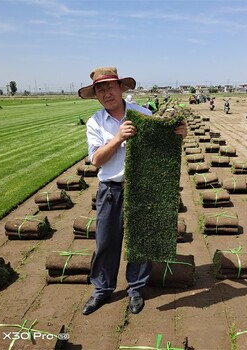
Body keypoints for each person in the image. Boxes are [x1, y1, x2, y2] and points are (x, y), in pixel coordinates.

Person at [78, 67, 187, 316]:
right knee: (106, 241)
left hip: (142, 187)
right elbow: (96, 160)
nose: (106, 93)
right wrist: (117, 139)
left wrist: (180, 134)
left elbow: (164, 142)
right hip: (110, 190)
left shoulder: (143, 113)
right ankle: (102, 290)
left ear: (121, 89)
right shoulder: (95, 122)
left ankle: (136, 289)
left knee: (140, 239)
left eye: (110, 87)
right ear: (96, 95)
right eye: (100, 89)